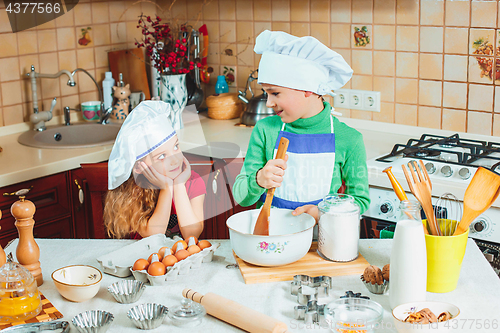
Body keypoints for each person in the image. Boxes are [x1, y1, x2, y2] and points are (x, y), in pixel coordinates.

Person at [233, 30, 370, 221]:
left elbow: (359, 200)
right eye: (266, 94)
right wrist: (259, 179)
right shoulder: (265, 130)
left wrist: (323, 213)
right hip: (272, 238)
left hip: (321, 240)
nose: (269, 103)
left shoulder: (349, 139)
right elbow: (241, 196)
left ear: (307, 89)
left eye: (275, 93)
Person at [104, 101, 206, 240]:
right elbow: (153, 236)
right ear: (140, 167)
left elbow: (192, 234)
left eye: (176, 146)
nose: (175, 160)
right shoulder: (135, 190)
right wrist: (166, 188)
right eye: (162, 156)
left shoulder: (193, 181)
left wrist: (178, 186)